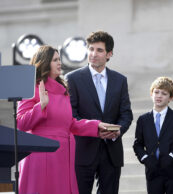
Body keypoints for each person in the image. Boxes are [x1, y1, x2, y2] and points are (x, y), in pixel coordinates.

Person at [16, 45, 115, 194]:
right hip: (41, 156)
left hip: (63, 155)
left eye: (59, 59)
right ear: (44, 62)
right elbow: (21, 123)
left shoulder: (63, 91)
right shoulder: (33, 87)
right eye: (55, 60)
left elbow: (70, 124)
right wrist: (41, 106)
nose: (59, 63)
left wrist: (97, 127)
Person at [65, 30, 133, 194]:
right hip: (83, 150)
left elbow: (126, 114)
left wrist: (116, 131)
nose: (93, 54)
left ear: (109, 54)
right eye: (91, 49)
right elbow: (70, 114)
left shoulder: (120, 80)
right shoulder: (72, 79)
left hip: (111, 152)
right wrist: (94, 129)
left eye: (99, 50)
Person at [133, 76, 173, 194]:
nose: (159, 96)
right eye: (156, 92)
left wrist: (172, 156)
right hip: (152, 171)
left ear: (171, 98)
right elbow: (138, 144)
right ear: (151, 94)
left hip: (172, 171)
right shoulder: (143, 119)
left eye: (164, 93)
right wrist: (145, 158)